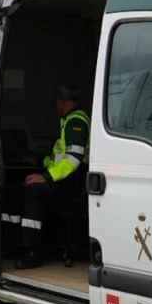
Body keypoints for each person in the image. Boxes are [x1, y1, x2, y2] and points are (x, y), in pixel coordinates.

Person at [16, 85, 90, 269]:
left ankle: (32, 251)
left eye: (57, 102)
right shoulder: (67, 121)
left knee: (33, 192)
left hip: (72, 184)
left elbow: (73, 160)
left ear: (63, 102)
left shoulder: (75, 122)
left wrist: (46, 177)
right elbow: (58, 156)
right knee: (29, 182)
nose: (55, 106)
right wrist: (40, 163)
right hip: (66, 181)